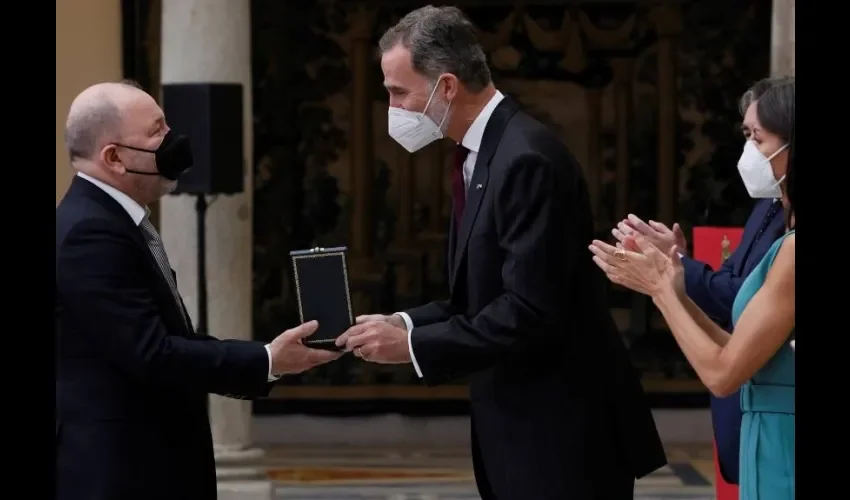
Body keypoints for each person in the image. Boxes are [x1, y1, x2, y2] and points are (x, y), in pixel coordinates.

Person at [334, 6, 666, 499]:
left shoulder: (524, 158)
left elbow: (528, 309)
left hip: (560, 437)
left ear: (447, 86)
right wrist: (402, 323)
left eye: (398, 92)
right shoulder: (481, 152)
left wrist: (413, 348)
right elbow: (478, 296)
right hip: (520, 429)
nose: (392, 106)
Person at [55, 81, 340, 500]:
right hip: (121, 472)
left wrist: (267, 360)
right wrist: (266, 360)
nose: (172, 140)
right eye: (156, 132)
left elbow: (169, 340)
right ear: (113, 157)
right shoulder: (90, 233)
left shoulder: (111, 220)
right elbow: (152, 353)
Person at [589, 79, 795, 500]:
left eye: (758, 137)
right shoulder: (781, 232)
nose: (749, 150)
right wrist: (673, 290)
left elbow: (722, 375)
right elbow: (740, 349)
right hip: (766, 431)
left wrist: (663, 289)